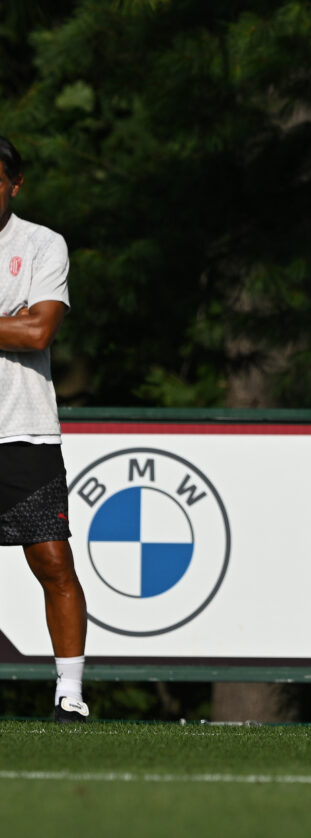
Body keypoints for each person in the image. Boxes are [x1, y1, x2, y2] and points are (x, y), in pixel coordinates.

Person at [0, 136, 89, 723]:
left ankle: (70, 695)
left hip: (23, 428)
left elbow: (37, 333)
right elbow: (19, 325)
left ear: (14, 184)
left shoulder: (40, 243)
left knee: (53, 562)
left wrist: (22, 322)